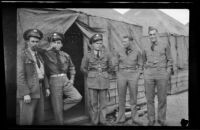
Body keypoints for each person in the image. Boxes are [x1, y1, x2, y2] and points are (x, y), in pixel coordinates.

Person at [40, 32, 82, 125]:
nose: (57, 44)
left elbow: (72, 67)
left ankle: (59, 106)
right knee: (58, 111)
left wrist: (72, 79)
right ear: (50, 43)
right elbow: (37, 51)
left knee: (77, 97)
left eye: (59, 42)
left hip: (65, 79)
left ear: (62, 44)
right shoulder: (45, 54)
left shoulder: (65, 55)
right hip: (54, 81)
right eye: (54, 42)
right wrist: (49, 48)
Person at [17, 29, 50, 125]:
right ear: (27, 42)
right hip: (29, 91)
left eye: (37, 41)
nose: (35, 44)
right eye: (32, 41)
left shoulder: (39, 55)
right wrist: (25, 93)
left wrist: (47, 87)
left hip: (39, 89)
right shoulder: (22, 55)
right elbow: (20, 75)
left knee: (39, 118)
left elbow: (43, 72)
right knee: (27, 119)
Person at [80, 34, 113, 125]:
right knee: (93, 103)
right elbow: (82, 68)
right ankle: (94, 121)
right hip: (92, 82)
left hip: (103, 81)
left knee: (103, 104)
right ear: (92, 44)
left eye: (100, 43)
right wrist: (90, 74)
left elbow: (111, 66)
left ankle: (102, 121)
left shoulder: (107, 54)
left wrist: (106, 74)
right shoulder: (88, 55)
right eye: (97, 43)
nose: (99, 45)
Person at [143, 26, 173, 126]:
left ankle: (161, 119)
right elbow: (143, 61)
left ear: (157, 34)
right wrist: (145, 72)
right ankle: (151, 119)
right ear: (149, 36)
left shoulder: (165, 45)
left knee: (162, 98)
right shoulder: (145, 46)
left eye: (154, 34)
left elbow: (170, 59)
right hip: (149, 75)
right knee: (149, 98)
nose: (152, 36)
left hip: (161, 74)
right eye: (150, 35)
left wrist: (167, 72)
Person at [113, 36, 143, 125]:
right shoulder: (119, 51)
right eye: (122, 41)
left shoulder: (137, 51)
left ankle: (135, 118)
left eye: (125, 41)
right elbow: (115, 63)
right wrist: (118, 73)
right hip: (121, 75)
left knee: (133, 97)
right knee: (121, 97)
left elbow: (141, 65)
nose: (123, 43)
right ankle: (121, 118)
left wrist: (137, 75)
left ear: (130, 42)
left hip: (133, 75)